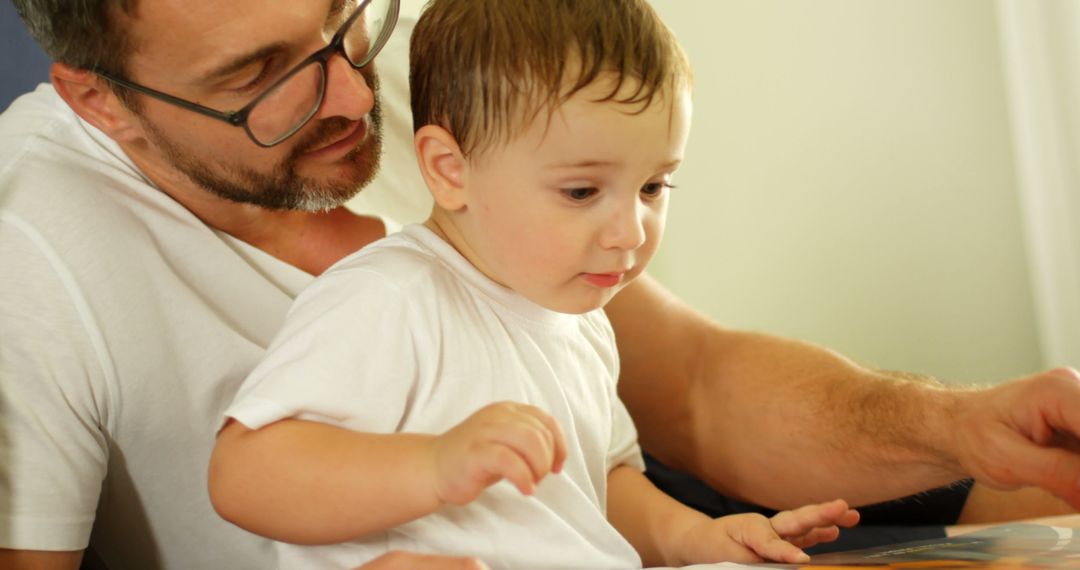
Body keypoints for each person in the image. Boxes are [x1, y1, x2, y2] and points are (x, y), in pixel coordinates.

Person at [0, 0, 1076, 568]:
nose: (345, 93)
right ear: (99, 100)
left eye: (342, 16)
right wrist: (428, 472)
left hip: (617, 513)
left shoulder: (416, 85)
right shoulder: (31, 251)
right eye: (257, 79)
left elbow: (687, 385)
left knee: (1040, 497)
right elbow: (251, 475)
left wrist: (955, 426)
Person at [206, 0, 860, 567]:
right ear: (450, 170)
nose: (631, 232)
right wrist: (435, 465)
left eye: (654, 186)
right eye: (582, 190)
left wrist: (698, 538)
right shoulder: (390, 297)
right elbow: (244, 475)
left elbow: (597, 481)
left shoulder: (578, 320)